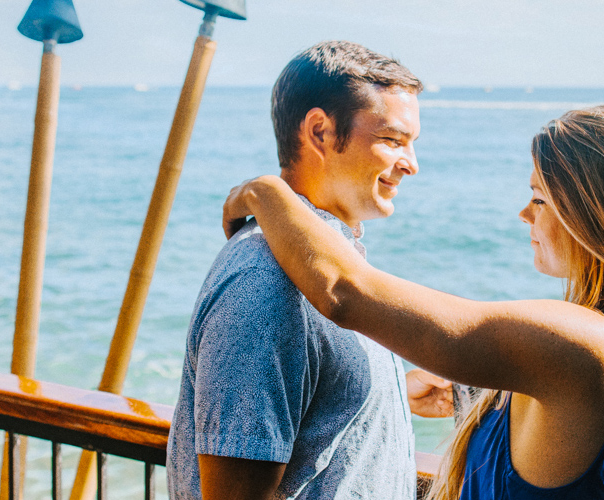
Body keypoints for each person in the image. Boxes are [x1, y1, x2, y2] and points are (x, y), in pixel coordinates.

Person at [222, 105, 604, 499]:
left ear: (595, 214)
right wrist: (480, 400)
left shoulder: (580, 343)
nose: (525, 214)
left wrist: (265, 192)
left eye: (539, 197)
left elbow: (345, 292)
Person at [166, 41, 450, 500]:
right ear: (319, 131)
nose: (411, 165)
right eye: (392, 140)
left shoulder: (328, 257)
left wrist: (388, 391)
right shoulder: (266, 282)